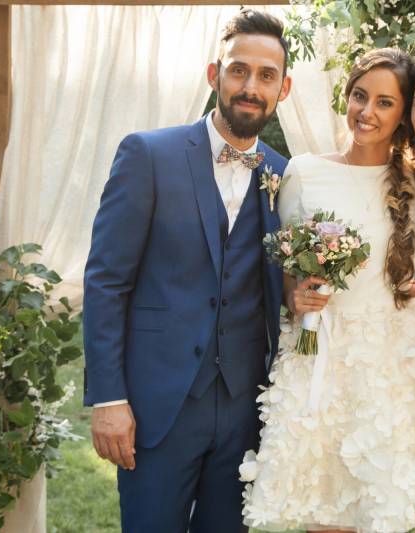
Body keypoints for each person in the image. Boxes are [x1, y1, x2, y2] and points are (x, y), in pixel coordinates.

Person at [82, 10, 301, 532]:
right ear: (214, 75)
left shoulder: (284, 176)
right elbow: (107, 281)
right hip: (158, 406)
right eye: (238, 70)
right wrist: (109, 398)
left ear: (284, 88)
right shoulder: (148, 155)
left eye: (266, 76)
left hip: (247, 407)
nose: (251, 87)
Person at [240, 48, 415, 533]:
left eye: (384, 103)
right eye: (359, 96)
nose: (366, 112)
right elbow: (286, 268)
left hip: (389, 365)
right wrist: (298, 294)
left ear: (403, 115)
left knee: (379, 506)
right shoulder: (304, 172)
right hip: (319, 352)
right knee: (324, 506)